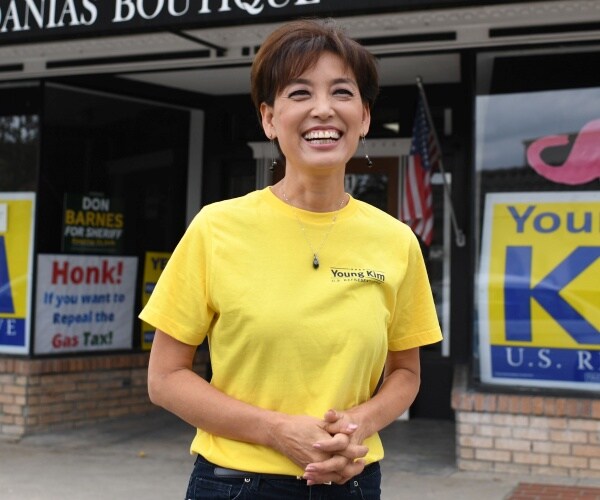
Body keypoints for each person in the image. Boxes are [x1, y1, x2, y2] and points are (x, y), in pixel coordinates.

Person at [140, 18, 443, 500]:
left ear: (364, 117)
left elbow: (406, 373)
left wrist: (357, 425)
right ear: (268, 118)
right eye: (300, 93)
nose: (323, 110)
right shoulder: (216, 228)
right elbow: (166, 378)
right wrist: (276, 430)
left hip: (354, 482)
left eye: (341, 92)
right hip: (235, 485)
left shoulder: (396, 240)